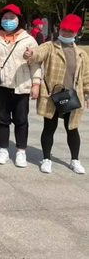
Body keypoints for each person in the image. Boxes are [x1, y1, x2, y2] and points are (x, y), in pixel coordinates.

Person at [24, 14, 89, 174]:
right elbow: (38, 53)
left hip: (73, 97)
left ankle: (75, 160)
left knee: (72, 128)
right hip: (53, 96)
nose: (66, 33)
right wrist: (30, 54)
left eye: (70, 31)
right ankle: (46, 159)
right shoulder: (50, 47)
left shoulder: (81, 54)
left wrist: (87, 93)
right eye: (64, 29)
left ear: (76, 32)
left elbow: (86, 76)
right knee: (49, 127)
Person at [0, 4, 41, 167]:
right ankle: (3, 150)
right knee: (2, 118)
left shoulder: (28, 39)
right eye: (5, 18)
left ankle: (21, 151)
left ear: (18, 19)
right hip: (0, 85)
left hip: (21, 84)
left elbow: (35, 63)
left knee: (21, 119)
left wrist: (36, 83)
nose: (8, 21)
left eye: (12, 18)